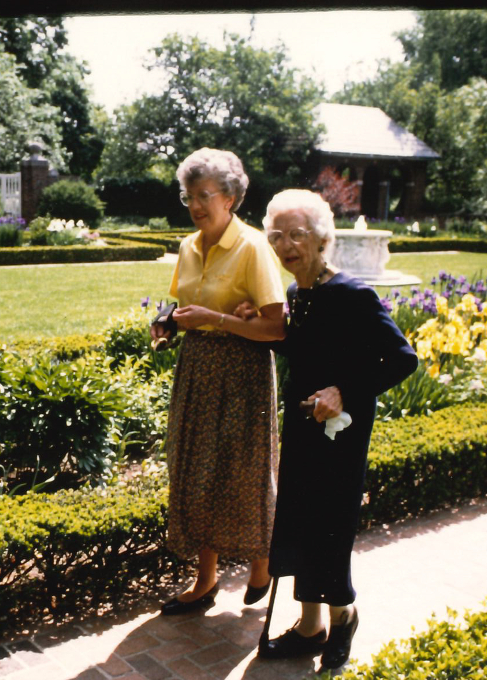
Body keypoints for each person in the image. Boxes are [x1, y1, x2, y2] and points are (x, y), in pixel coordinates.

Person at [241, 189, 418, 670]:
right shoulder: (298, 295)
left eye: (297, 234)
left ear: (323, 238)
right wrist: (255, 323)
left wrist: (345, 390)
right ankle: (309, 626)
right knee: (297, 522)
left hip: (340, 438)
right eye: (277, 236)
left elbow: (403, 358)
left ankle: (343, 619)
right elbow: (305, 349)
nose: (286, 244)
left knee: (330, 529)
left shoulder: (353, 294)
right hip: (302, 431)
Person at [150, 148, 288, 616]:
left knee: (244, 470)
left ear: (230, 197)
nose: (195, 205)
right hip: (199, 367)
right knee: (197, 470)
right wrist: (167, 323)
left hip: (243, 370)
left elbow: (276, 327)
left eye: (205, 195)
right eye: (189, 196)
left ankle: (262, 564)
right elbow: (184, 304)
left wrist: (218, 319)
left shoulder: (253, 247)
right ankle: (204, 580)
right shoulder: (189, 246)